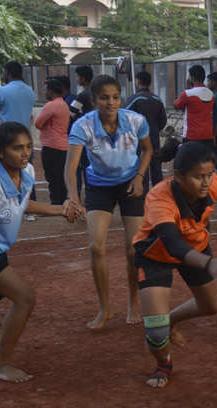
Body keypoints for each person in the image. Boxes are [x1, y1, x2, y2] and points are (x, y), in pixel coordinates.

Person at [133, 142, 217, 388]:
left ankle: (170, 320)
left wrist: (205, 253)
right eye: (197, 177)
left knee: (212, 306)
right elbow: (172, 243)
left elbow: (204, 219)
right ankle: (164, 362)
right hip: (156, 254)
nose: (206, 182)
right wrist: (209, 263)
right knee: (155, 332)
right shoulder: (159, 198)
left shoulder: (214, 185)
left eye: (209, 174)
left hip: (195, 247)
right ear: (179, 176)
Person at [0, 122, 77, 382]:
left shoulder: (26, 171)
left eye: (28, 147)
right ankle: (0, 364)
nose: (25, 153)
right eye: (17, 148)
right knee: (25, 298)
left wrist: (60, 210)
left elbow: (23, 204)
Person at [64, 75, 153, 330]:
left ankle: (133, 301)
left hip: (130, 183)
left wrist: (139, 177)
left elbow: (148, 150)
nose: (110, 102)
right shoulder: (83, 126)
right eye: (104, 98)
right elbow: (70, 167)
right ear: (94, 100)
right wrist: (73, 196)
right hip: (99, 186)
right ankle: (105, 308)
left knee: (133, 249)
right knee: (96, 246)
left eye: (115, 97)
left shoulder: (136, 121)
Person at [126, 70, 167, 189]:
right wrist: (154, 129)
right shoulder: (157, 99)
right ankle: (158, 193)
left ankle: (142, 194)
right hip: (154, 138)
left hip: (137, 139)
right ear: (149, 83)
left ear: (137, 82)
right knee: (156, 167)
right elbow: (163, 120)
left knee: (140, 166)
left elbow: (125, 118)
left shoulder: (134, 99)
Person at [34, 78, 70, 205]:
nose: (45, 93)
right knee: (61, 176)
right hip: (63, 145)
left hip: (51, 145)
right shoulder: (64, 104)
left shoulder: (51, 105)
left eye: (46, 90)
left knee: (52, 177)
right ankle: (62, 201)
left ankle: (56, 202)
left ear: (51, 91)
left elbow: (38, 123)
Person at [174, 65, 214, 148]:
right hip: (208, 135)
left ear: (192, 78)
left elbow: (176, 105)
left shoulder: (187, 93)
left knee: (189, 160)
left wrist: (187, 88)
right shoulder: (211, 94)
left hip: (191, 136)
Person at [70, 65, 95, 199]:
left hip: (86, 136)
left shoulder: (82, 95)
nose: (77, 79)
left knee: (85, 166)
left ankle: (88, 197)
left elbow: (71, 113)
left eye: (78, 77)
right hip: (99, 135)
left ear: (83, 79)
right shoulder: (97, 92)